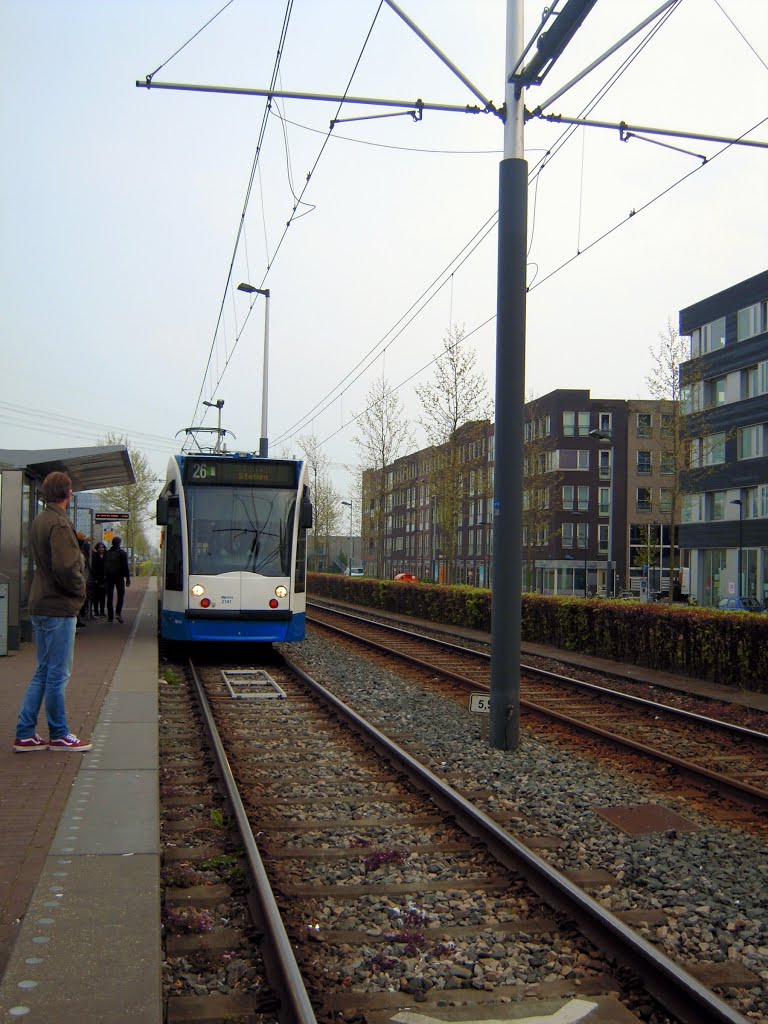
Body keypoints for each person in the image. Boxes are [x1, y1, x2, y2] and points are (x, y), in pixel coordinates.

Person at [14, 471, 92, 752]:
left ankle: (25, 733)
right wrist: (80, 590)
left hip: (41, 603)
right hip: (58, 607)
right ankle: (59, 733)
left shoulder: (40, 520)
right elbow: (66, 567)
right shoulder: (59, 524)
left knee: (44, 671)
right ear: (68, 494)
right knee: (58, 673)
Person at [104, 536, 131, 623]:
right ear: (119, 543)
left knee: (109, 597)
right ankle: (118, 613)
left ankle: (110, 617)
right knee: (120, 595)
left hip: (109, 577)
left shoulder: (106, 553)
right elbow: (125, 567)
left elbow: (103, 566)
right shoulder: (122, 553)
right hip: (119, 577)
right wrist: (127, 578)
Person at [90, 541, 107, 617]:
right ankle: (96, 611)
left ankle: (102, 611)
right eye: (100, 547)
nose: (101, 549)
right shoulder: (94, 556)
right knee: (96, 596)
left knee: (103, 596)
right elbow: (93, 568)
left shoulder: (106, 556)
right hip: (97, 579)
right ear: (97, 548)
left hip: (104, 579)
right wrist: (95, 578)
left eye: (102, 547)